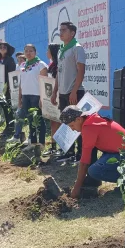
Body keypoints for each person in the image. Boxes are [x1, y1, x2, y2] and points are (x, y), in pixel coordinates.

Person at [59, 105, 125, 198]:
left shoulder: (89, 127)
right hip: (121, 152)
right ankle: (93, 180)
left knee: (94, 170)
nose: (72, 129)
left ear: (78, 119)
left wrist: (76, 187)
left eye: (72, 125)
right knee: (92, 156)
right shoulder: (90, 120)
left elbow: (84, 162)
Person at [51, 22, 86, 163]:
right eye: (60, 30)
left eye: (64, 30)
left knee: (78, 124)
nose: (61, 32)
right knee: (66, 123)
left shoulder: (77, 48)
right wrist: (55, 92)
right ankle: (68, 152)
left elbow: (81, 71)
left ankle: (80, 154)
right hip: (63, 93)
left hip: (75, 93)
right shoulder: (61, 50)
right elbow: (58, 73)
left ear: (72, 33)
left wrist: (74, 91)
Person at [6, 44, 47, 147]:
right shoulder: (22, 65)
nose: (28, 53)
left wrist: (42, 99)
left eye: (31, 51)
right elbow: (21, 83)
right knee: (30, 120)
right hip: (25, 96)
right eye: (26, 51)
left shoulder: (41, 64)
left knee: (39, 120)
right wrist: (19, 98)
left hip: (36, 96)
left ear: (35, 52)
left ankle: (41, 143)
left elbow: (44, 83)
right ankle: (32, 142)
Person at [0, 41, 16, 138]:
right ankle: (8, 126)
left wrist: (9, 87)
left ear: (7, 49)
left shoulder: (10, 60)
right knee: (4, 108)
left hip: (7, 88)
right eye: (0, 47)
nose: (2, 48)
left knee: (8, 108)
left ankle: (11, 128)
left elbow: (12, 74)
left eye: (4, 47)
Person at [43, 43, 62, 157]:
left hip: (59, 97)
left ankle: (63, 147)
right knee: (53, 121)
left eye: (48, 50)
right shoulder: (51, 65)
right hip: (50, 98)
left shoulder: (59, 65)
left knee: (61, 122)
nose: (46, 52)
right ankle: (54, 146)